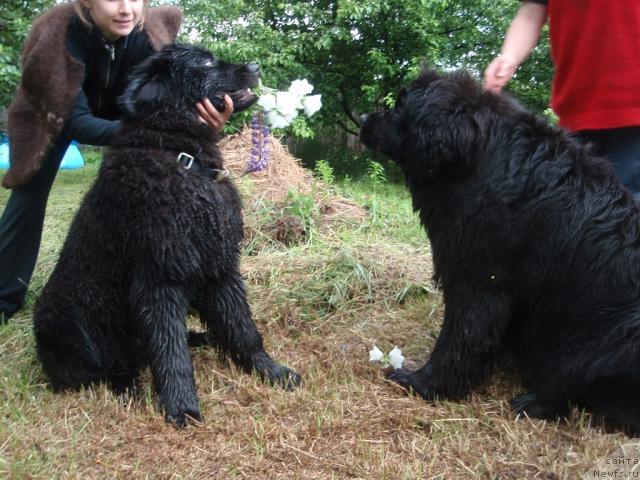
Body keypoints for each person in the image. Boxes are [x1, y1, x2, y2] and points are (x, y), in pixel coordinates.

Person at [0, 0, 234, 322]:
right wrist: (154, 131)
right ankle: (4, 298)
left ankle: (169, 285)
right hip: (53, 114)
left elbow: (172, 98)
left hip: (122, 109)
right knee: (28, 195)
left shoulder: (150, 37)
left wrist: (203, 120)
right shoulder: (55, 35)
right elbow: (76, 121)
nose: (126, 9)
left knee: (150, 188)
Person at [484, 0, 640, 196]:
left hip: (635, 114)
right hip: (574, 120)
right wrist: (509, 56)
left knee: (626, 212)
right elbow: (531, 11)